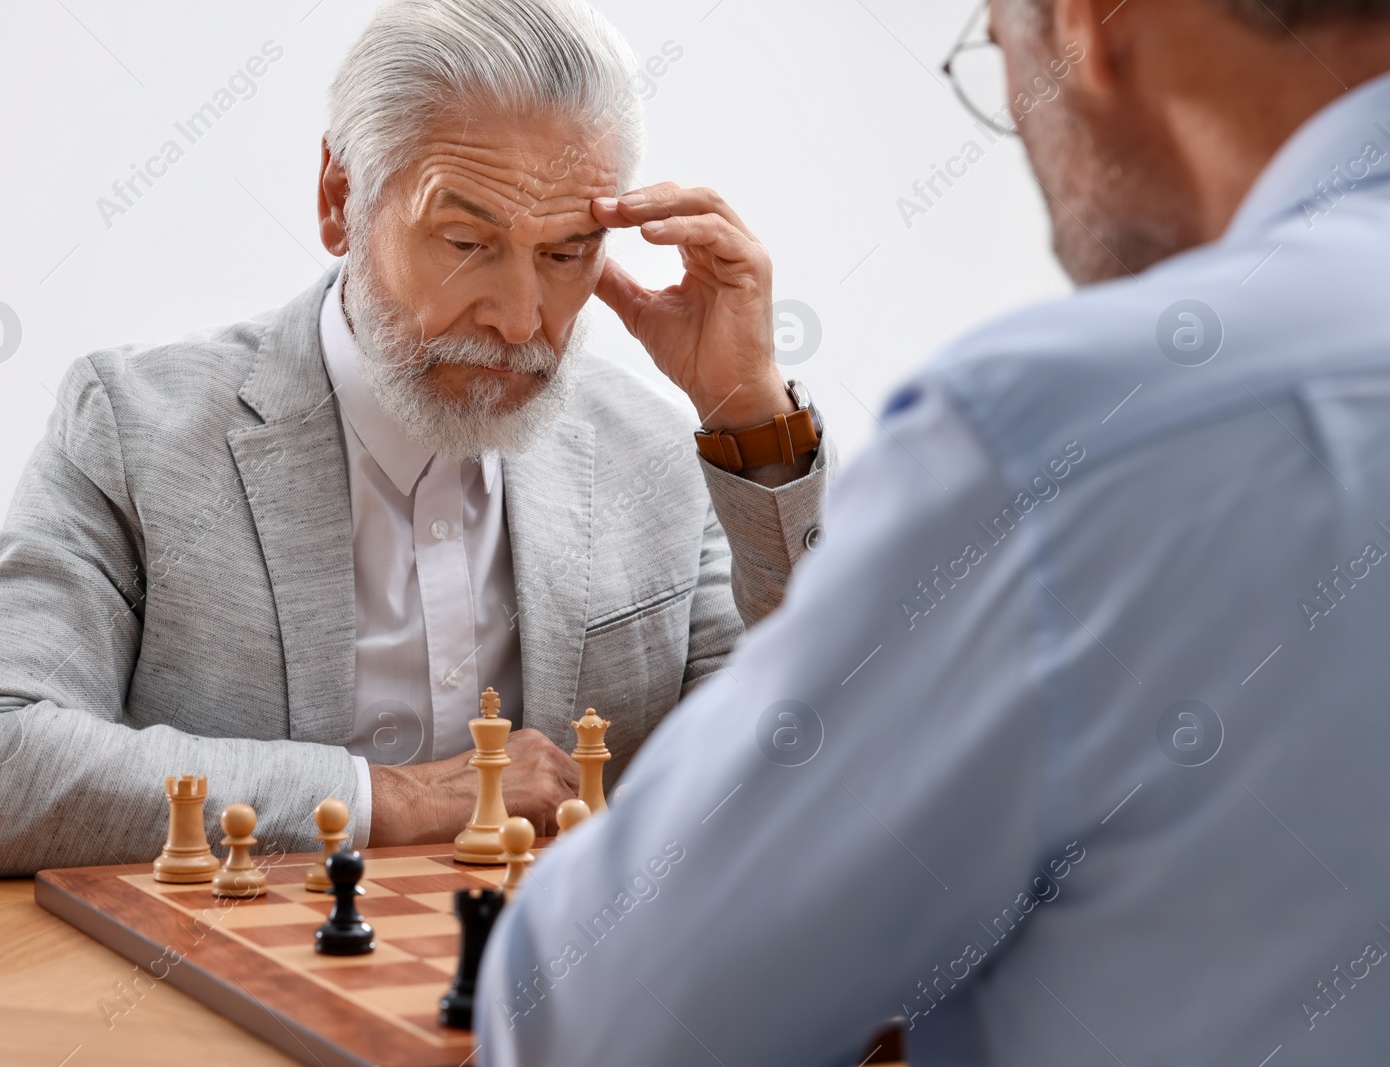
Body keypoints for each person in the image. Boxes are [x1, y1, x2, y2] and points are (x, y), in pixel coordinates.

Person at [477, 0, 1390, 1063]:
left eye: (999, 48)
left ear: (1088, 26)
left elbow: (594, 1015)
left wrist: (752, 430)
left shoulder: (1069, 429)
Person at [0, 0, 833, 879]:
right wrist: (387, 798)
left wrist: (752, 420)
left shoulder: (660, 453)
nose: (517, 316)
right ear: (341, 196)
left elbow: (821, 768)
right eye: (466, 244)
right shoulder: (138, 426)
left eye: (564, 254)